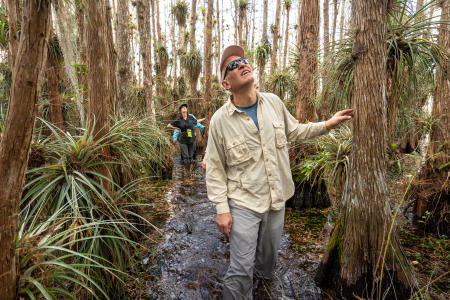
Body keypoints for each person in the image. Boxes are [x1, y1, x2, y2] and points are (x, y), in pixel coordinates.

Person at [205, 45, 353, 299]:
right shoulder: (220, 120)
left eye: (243, 60)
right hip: (243, 203)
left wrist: (328, 124)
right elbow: (215, 169)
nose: (241, 64)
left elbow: (294, 131)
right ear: (226, 84)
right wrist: (222, 210)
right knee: (240, 271)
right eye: (233, 65)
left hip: (277, 200)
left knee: (266, 266)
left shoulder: (273, 102)